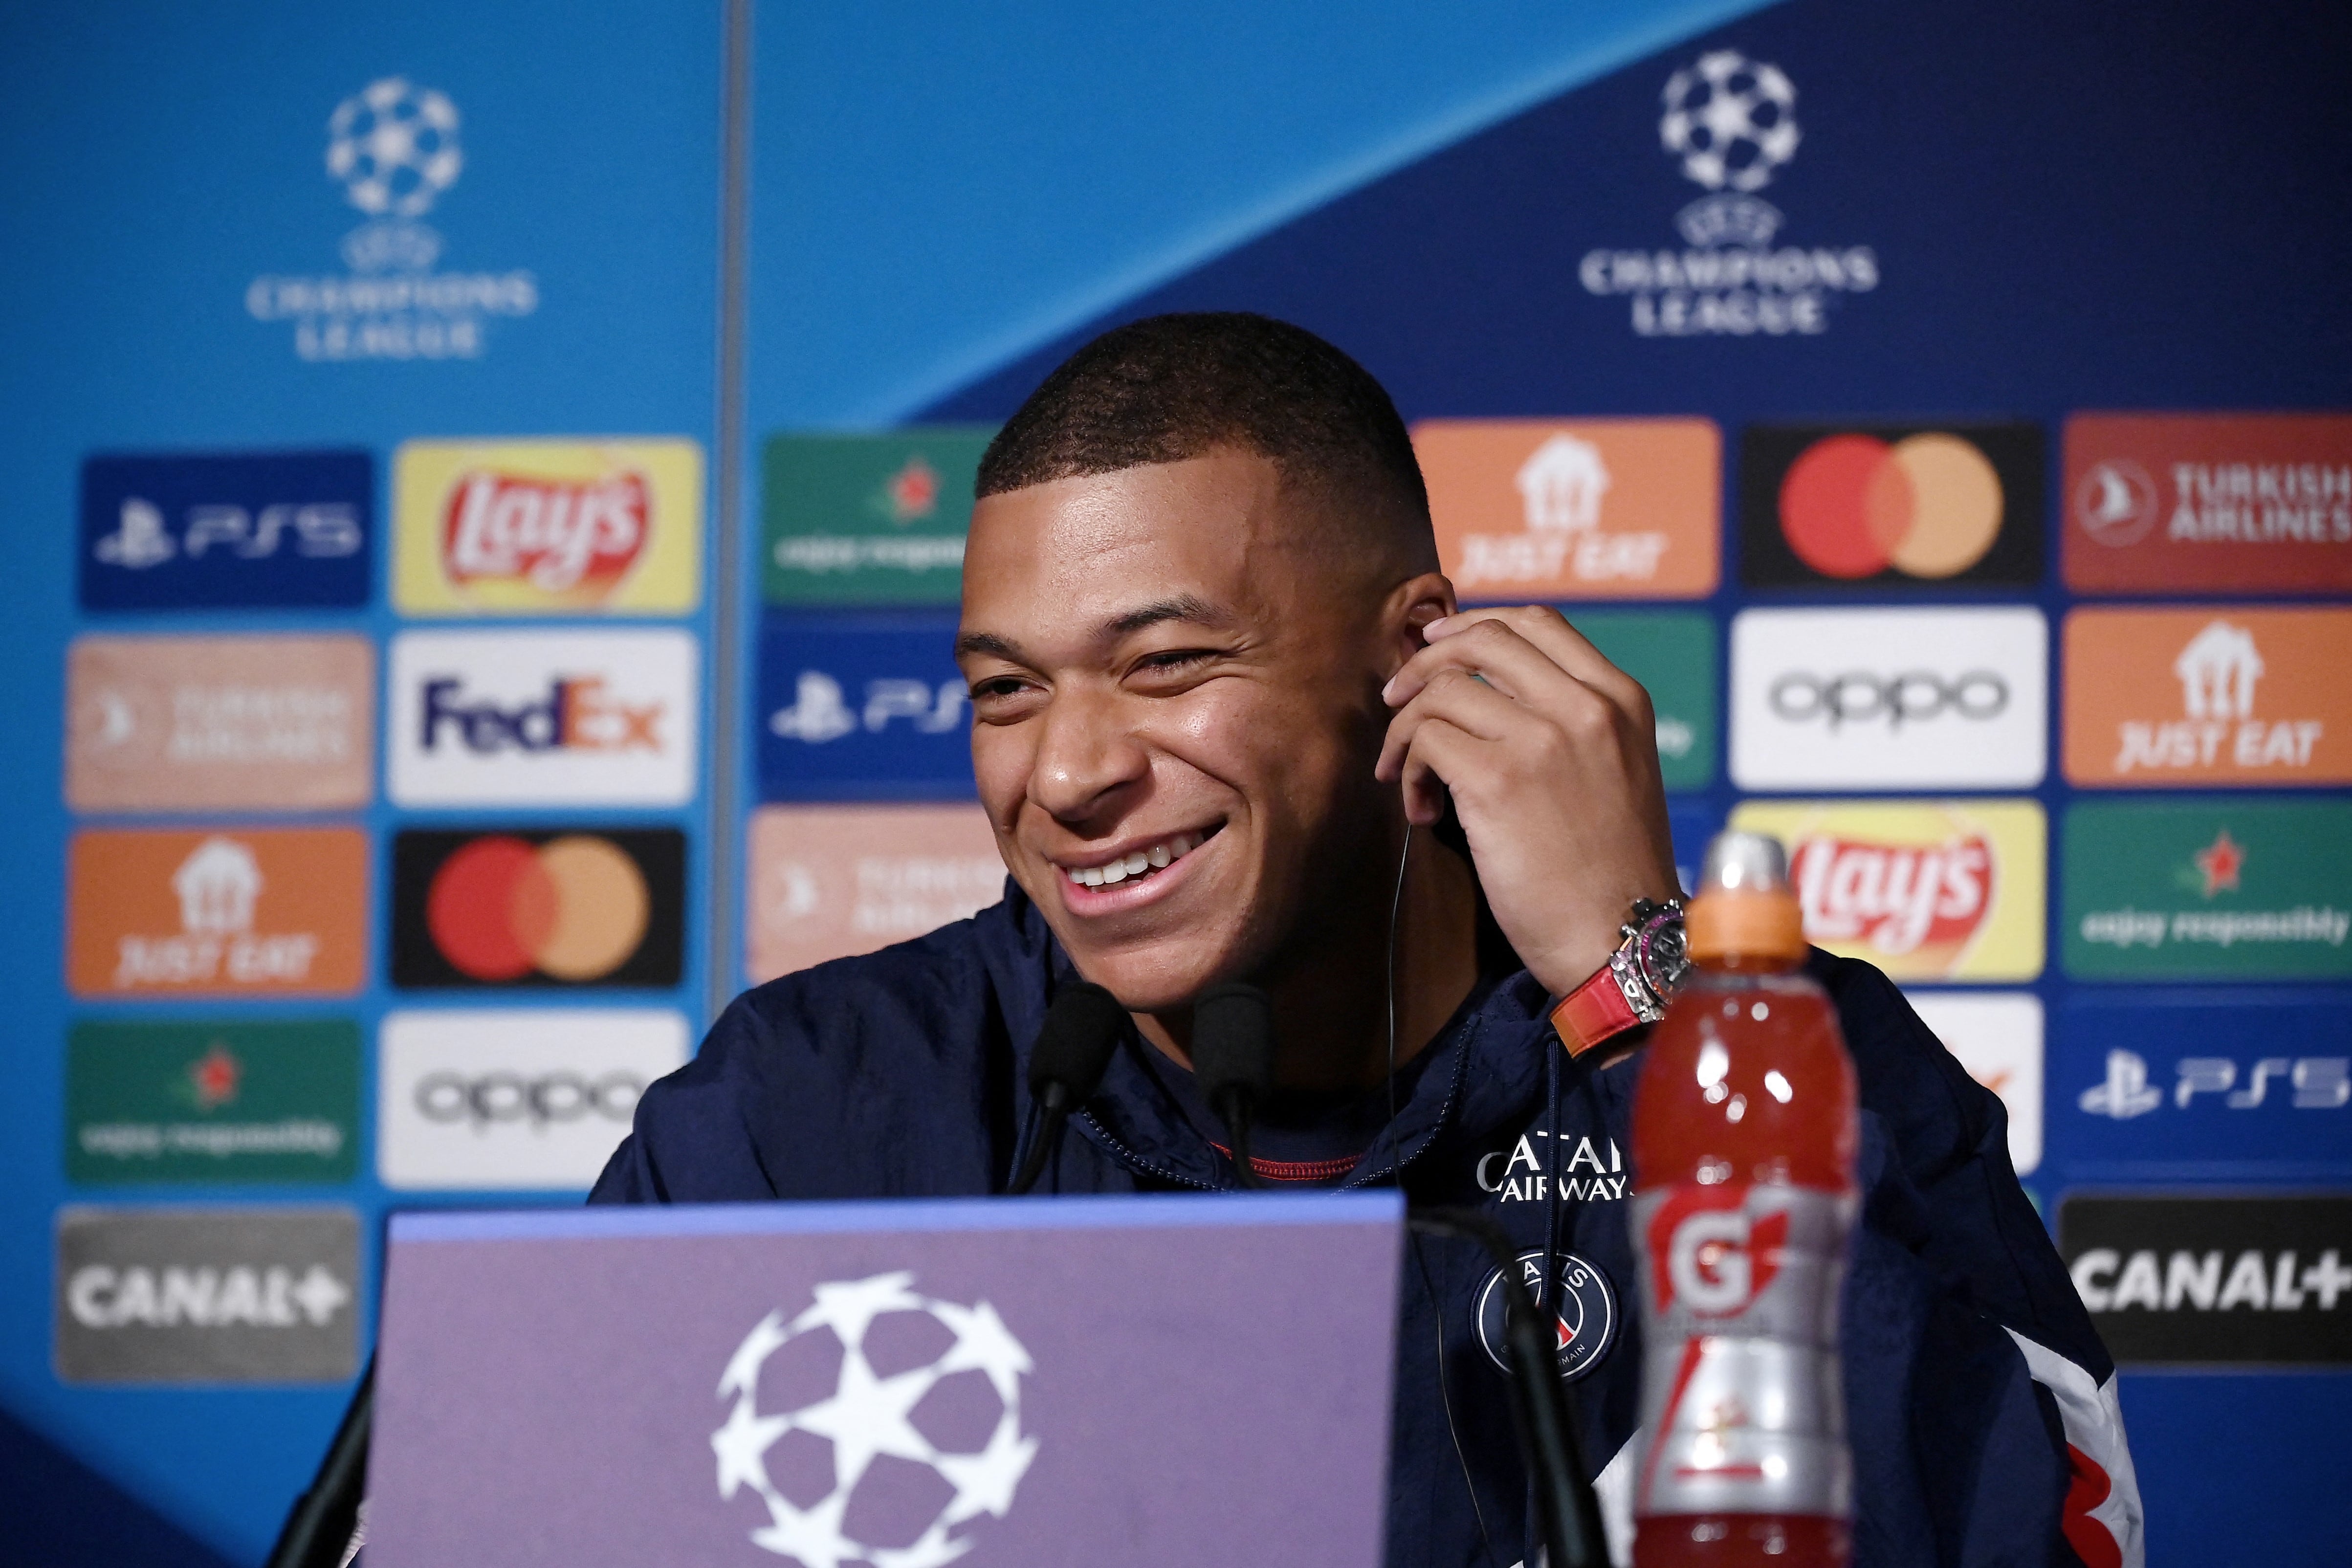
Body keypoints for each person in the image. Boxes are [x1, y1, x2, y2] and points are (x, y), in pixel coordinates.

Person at [593, 313, 2140, 1568]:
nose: (1062, 776)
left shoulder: (1779, 1056)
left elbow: (2041, 1541)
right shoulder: (811, 1107)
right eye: (1005, 690)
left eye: (1167, 663)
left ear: (1416, 658)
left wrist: (1644, 997)